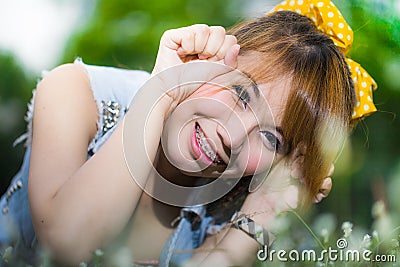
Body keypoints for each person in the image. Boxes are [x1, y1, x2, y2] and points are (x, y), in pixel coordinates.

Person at [0, 0, 377, 266]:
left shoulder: (226, 208)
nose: (233, 134)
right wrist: (161, 92)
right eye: (242, 93)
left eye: (271, 139)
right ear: (208, 61)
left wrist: (265, 213)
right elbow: (66, 244)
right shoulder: (79, 93)